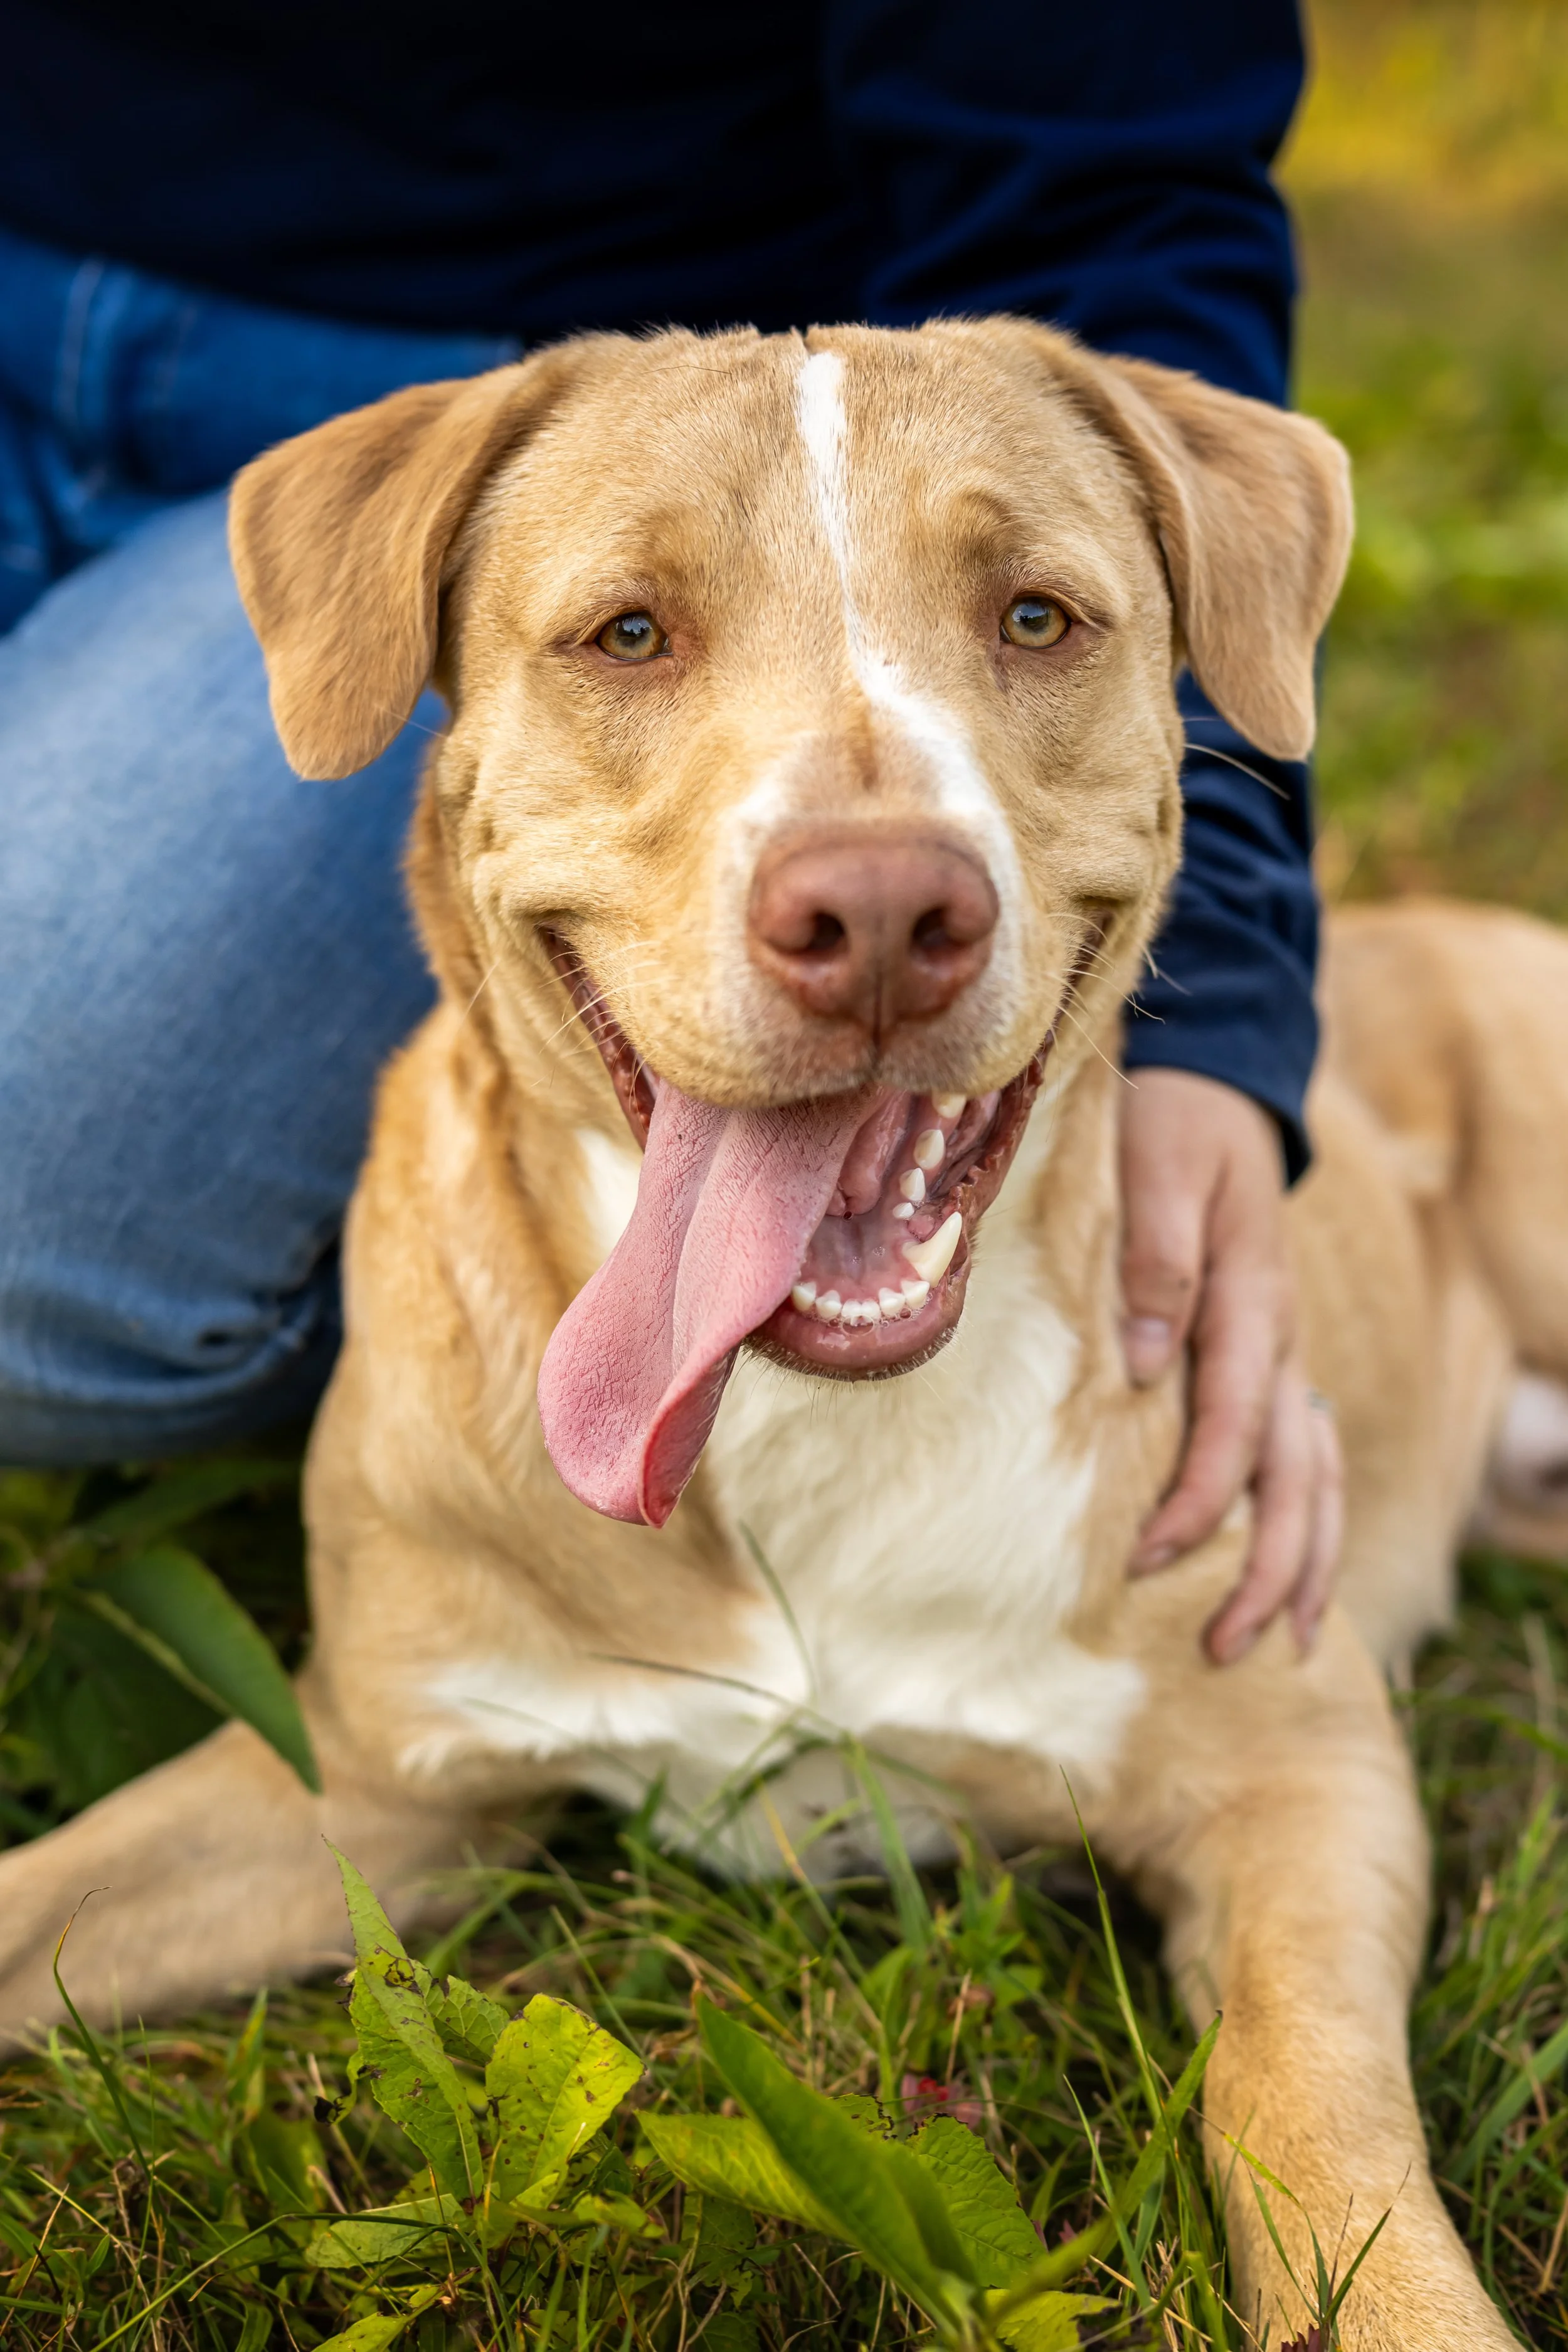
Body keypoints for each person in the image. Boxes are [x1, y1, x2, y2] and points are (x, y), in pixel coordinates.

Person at [0, 0, 1340, 1661]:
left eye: (1037, 620)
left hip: (606, 379)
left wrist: (1212, 996)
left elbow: (1114, 182)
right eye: (629, 635)